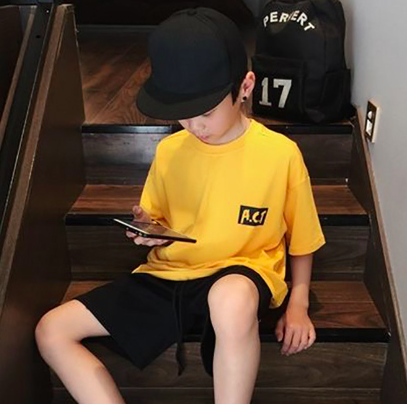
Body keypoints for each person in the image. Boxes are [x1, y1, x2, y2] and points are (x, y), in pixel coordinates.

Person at [35, 7, 326, 404]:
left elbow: (303, 239)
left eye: (205, 112)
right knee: (51, 330)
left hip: (238, 274)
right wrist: (149, 229)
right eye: (183, 116)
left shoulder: (280, 155)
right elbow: (158, 218)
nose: (195, 126)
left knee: (231, 299)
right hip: (169, 275)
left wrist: (299, 302)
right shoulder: (170, 150)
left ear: (245, 86)